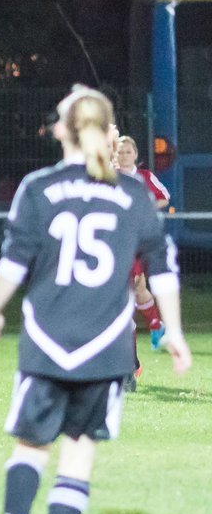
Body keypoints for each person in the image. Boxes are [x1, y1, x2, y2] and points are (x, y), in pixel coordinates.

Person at [0, 85, 191, 514]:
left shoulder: (37, 188)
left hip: (46, 341)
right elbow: (161, 269)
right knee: (78, 453)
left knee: (30, 448)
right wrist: (173, 329)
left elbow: (13, 261)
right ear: (106, 132)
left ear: (59, 131)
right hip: (106, 348)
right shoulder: (133, 194)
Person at [113, 134, 172, 386]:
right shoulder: (107, 177)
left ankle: (129, 368)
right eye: (120, 151)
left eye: (128, 151)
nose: (124, 155)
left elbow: (164, 197)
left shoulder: (144, 178)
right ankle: (132, 360)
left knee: (132, 292)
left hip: (134, 246)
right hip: (109, 247)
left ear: (135, 155)